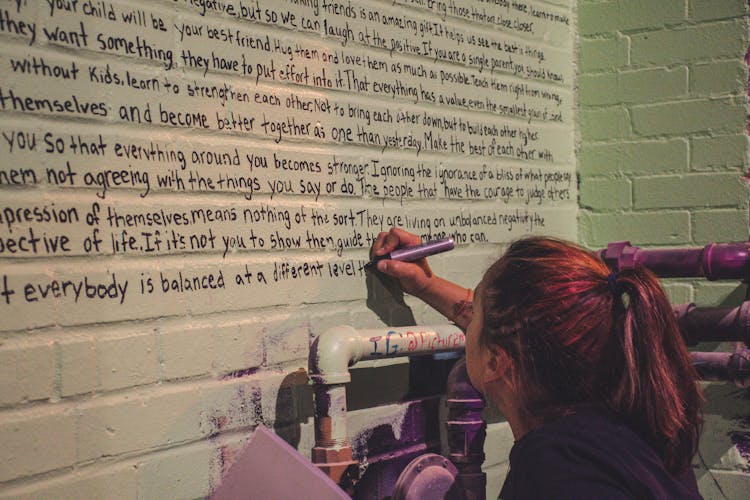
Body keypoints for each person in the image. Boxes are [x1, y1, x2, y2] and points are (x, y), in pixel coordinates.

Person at [370, 228, 703, 499]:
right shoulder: (631, 421)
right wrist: (426, 284)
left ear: (495, 362)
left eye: (478, 316)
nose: (469, 323)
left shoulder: (555, 468)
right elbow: (509, 328)